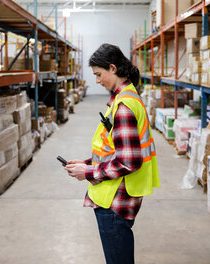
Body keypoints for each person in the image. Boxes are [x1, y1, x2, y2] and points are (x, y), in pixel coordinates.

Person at [64, 43, 160, 264]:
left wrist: (88, 171)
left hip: (116, 200)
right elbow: (115, 149)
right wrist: (87, 162)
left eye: (99, 74)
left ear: (113, 68)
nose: (97, 80)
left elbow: (129, 161)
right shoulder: (125, 97)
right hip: (118, 195)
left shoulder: (124, 106)